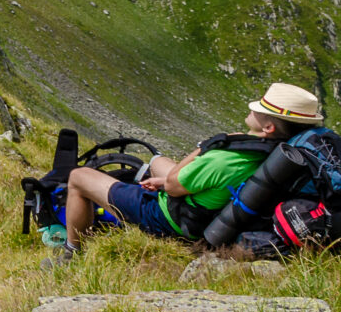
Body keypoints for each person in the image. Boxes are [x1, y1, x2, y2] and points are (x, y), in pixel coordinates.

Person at [61, 82, 320, 254]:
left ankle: (71, 251)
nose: (253, 107)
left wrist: (207, 146)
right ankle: (126, 197)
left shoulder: (226, 158)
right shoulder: (281, 154)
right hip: (214, 209)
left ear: (268, 127)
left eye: (260, 108)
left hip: (171, 220)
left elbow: (174, 187)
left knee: (78, 177)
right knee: (156, 162)